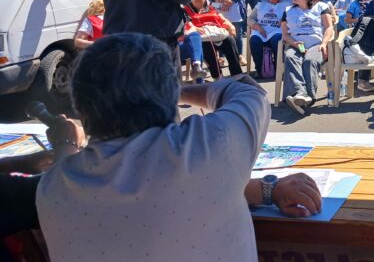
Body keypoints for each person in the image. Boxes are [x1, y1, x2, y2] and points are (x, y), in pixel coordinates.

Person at [36, 33, 322, 262]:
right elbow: (246, 90)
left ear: (80, 105)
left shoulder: (53, 188)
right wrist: (178, 92)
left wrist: (65, 143)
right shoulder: (208, 145)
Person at [281, 0, 335, 115]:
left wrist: (324, 43)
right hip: (296, 43)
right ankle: (301, 94)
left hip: (316, 43)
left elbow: (329, 27)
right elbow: (285, 34)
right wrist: (294, 43)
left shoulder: (321, 7)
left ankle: (304, 97)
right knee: (290, 56)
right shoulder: (288, 11)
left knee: (310, 61)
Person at [184, 0, 243, 79]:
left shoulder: (210, 7)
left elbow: (222, 19)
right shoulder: (186, 10)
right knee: (207, 45)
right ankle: (218, 76)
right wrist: (194, 28)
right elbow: (187, 23)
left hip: (217, 33)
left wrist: (230, 26)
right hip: (203, 36)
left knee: (230, 40)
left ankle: (237, 74)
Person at [248, 0, 288, 78]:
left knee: (277, 40)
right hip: (261, 31)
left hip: (277, 31)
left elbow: (292, 18)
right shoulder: (260, 5)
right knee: (254, 40)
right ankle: (259, 70)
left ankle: (277, 68)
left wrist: (284, 21)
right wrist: (257, 27)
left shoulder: (286, 5)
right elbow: (250, 19)